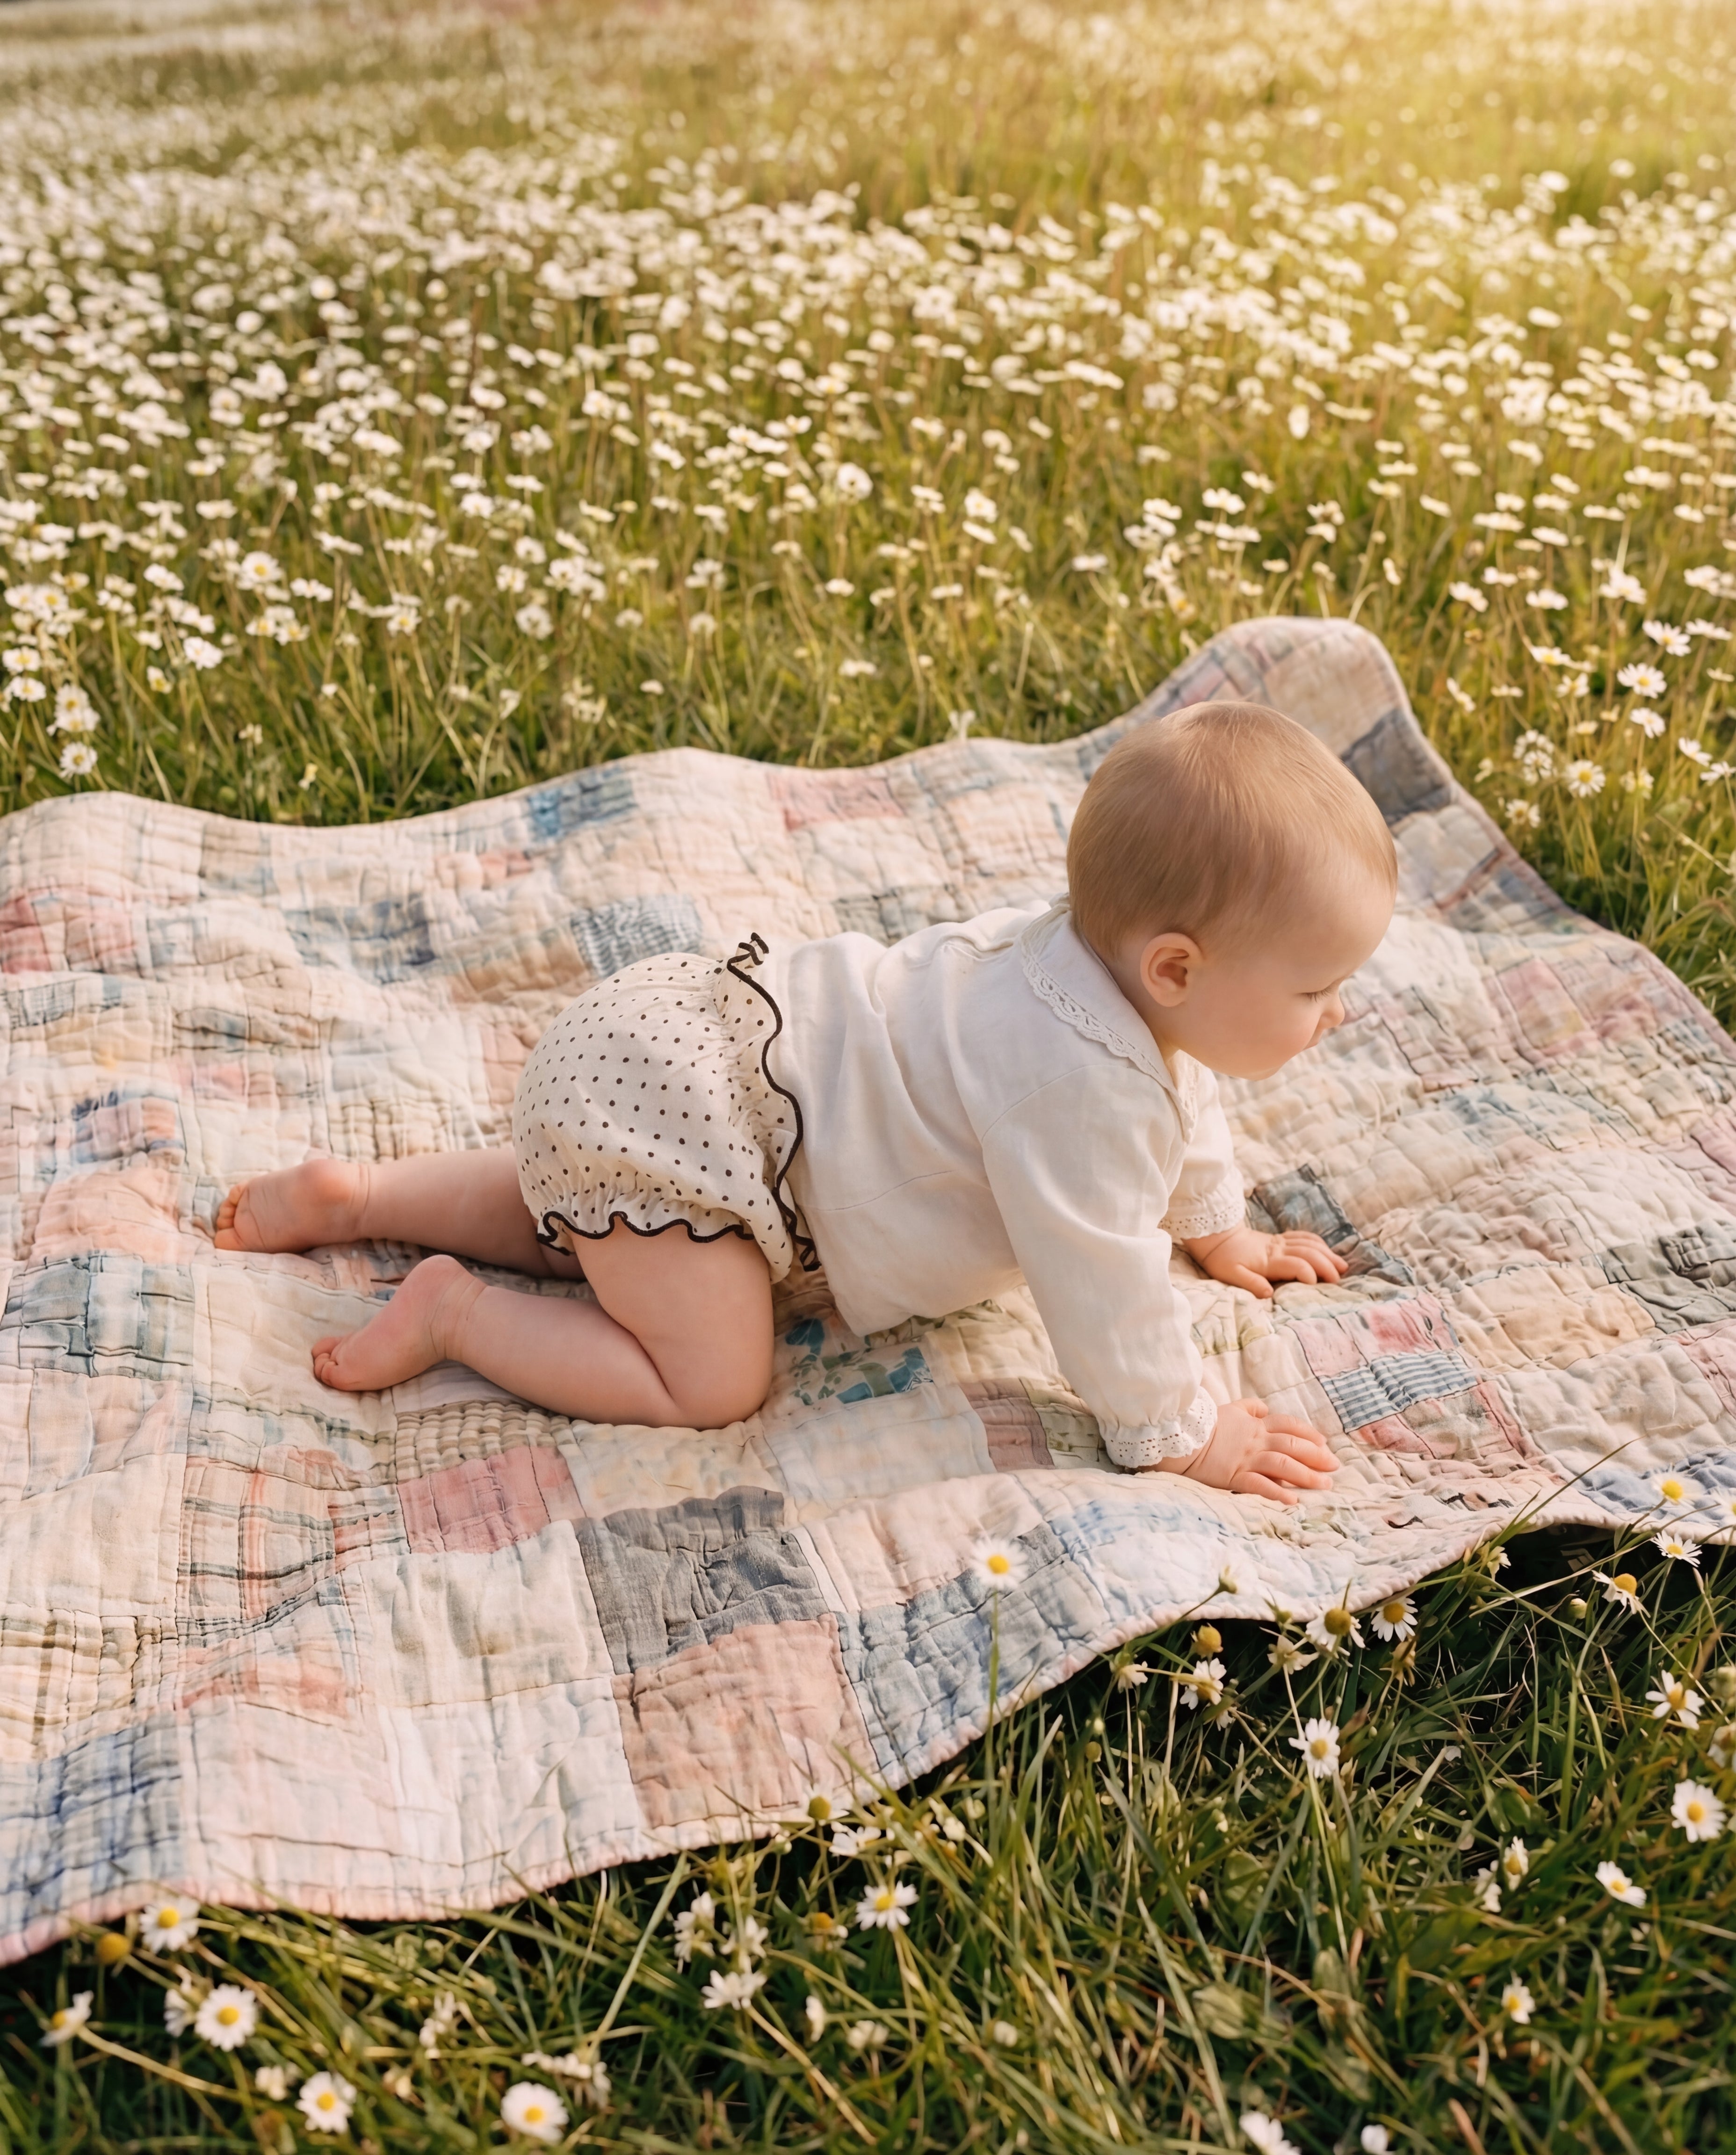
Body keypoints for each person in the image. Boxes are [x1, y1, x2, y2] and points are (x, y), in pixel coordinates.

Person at [216, 700, 1396, 1505]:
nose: (1334, 1012)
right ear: (1176, 971)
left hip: (676, 1048)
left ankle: (361, 1191)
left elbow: (1185, 1105)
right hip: (711, 1124)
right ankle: (456, 1316)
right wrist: (1184, 1430)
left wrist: (1218, 1227)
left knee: (587, 1216)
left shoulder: (1075, 970)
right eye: (1314, 988)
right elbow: (1100, 1282)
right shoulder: (1076, 1087)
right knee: (712, 1376)